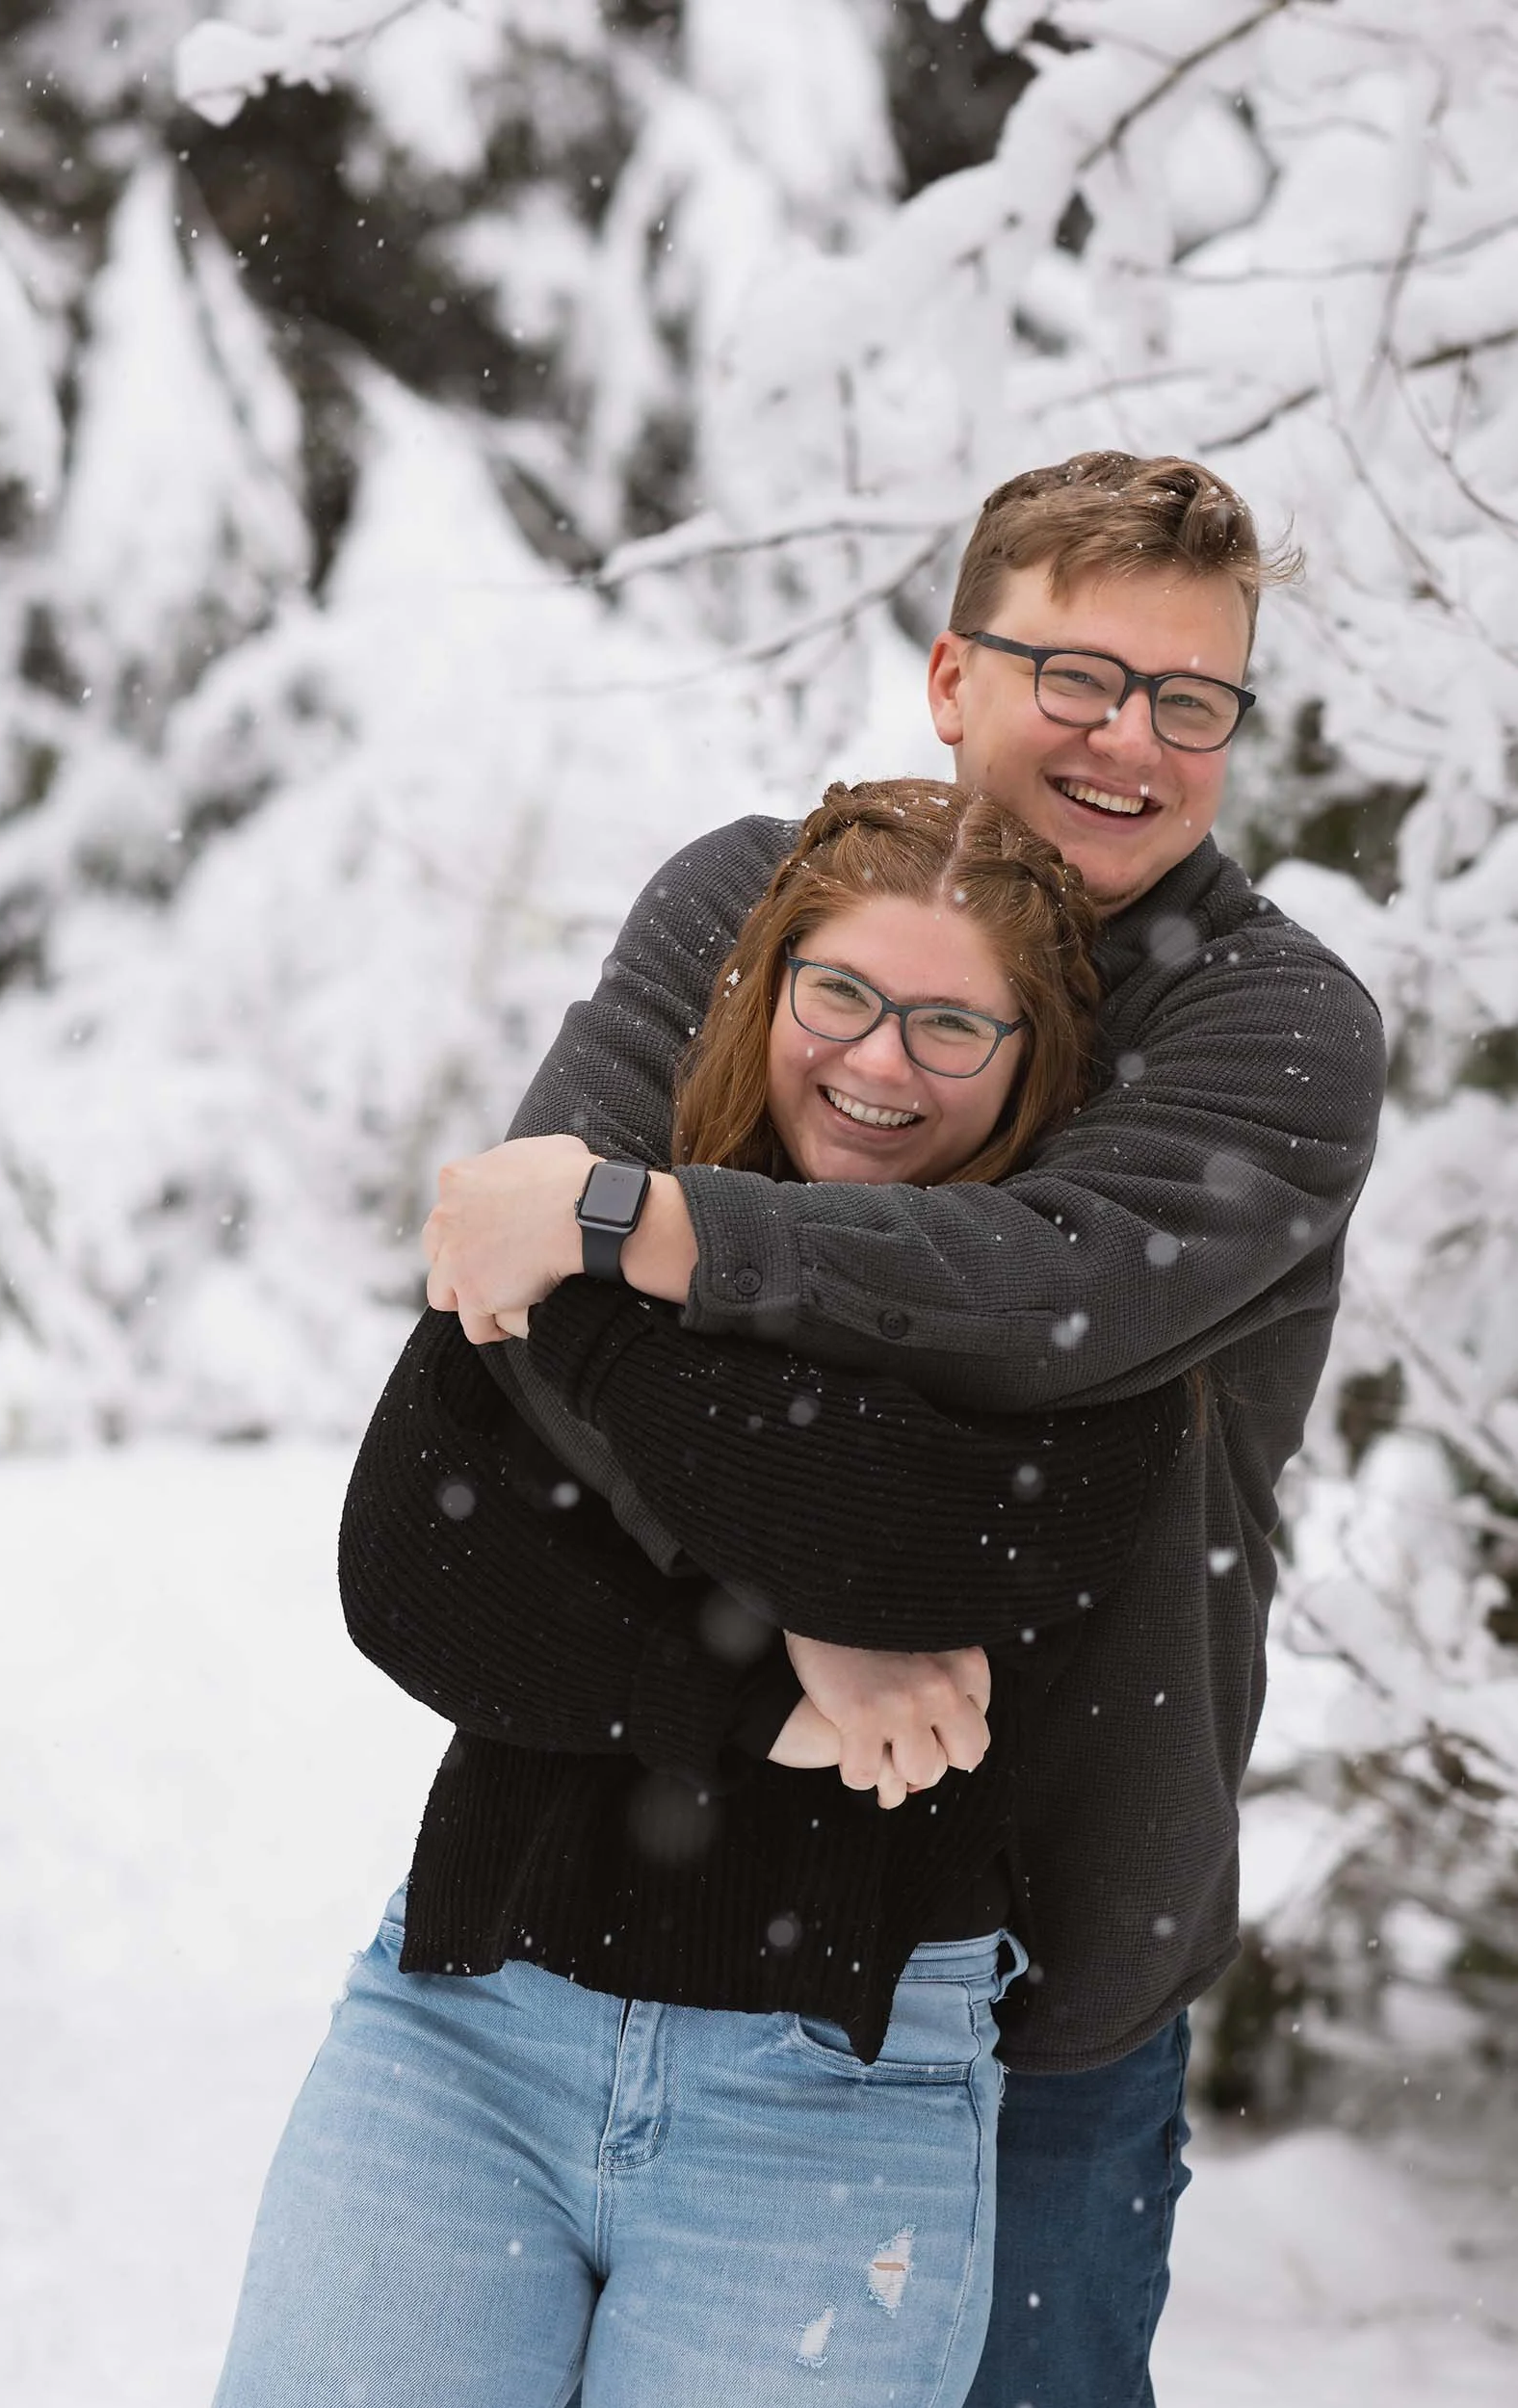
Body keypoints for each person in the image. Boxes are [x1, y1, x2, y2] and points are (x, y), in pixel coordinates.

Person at [423, 453, 1388, 2408]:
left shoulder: (1268, 1028)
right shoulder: (740, 908)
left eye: (1188, 698)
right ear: (952, 674)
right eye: (1077, 674)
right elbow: (509, 1316)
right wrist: (810, 1612)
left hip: (1039, 1953)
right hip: (638, 1896)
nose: (1130, 739)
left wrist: (642, 1219)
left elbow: (1035, 1301)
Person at [210, 784, 1189, 2408]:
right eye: (843, 996)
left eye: (954, 1025)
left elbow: (903, 1543)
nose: (879, 1062)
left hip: (834, 2081)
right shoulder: (616, 1185)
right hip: (464, 2022)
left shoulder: (1080, 1331)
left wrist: (573, 1303)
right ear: (768, 990)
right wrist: (770, 1703)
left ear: (1028, 1065)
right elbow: (414, 1574)